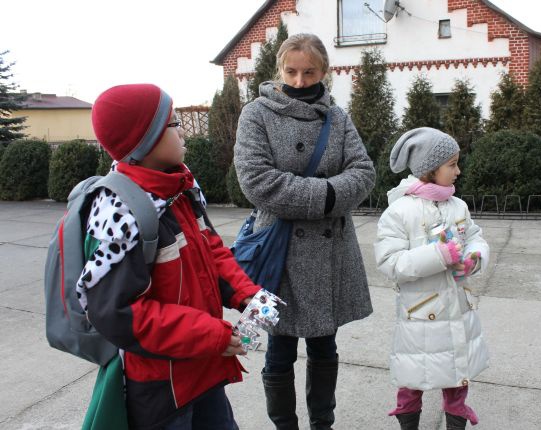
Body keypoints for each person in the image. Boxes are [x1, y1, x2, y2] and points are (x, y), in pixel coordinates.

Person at [78, 83, 260, 429]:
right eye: (173, 123)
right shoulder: (121, 215)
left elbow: (212, 251)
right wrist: (212, 335)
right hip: (163, 390)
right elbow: (119, 313)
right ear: (145, 140)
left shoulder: (179, 189)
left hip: (204, 371)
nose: (182, 131)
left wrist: (246, 293)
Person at [234, 33, 375, 429]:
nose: (299, 81)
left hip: (330, 253)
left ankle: (321, 424)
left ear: (325, 71)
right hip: (275, 252)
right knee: (276, 348)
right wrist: (329, 194)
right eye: (291, 71)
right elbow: (257, 181)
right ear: (279, 69)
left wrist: (325, 196)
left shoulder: (338, 117)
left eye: (309, 71)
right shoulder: (256, 114)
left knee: (325, 345)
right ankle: (285, 426)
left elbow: (364, 173)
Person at [374, 128, 490, 430]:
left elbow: (475, 237)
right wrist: (439, 256)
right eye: (452, 164)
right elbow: (390, 262)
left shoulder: (457, 206)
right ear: (429, 168)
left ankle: (455, 421)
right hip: (422, 314)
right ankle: (408, 422)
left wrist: (475, 258)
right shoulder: (400, 211)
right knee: (413, 376)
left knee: (456, 375)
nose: (458, 171)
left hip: (457, 309)